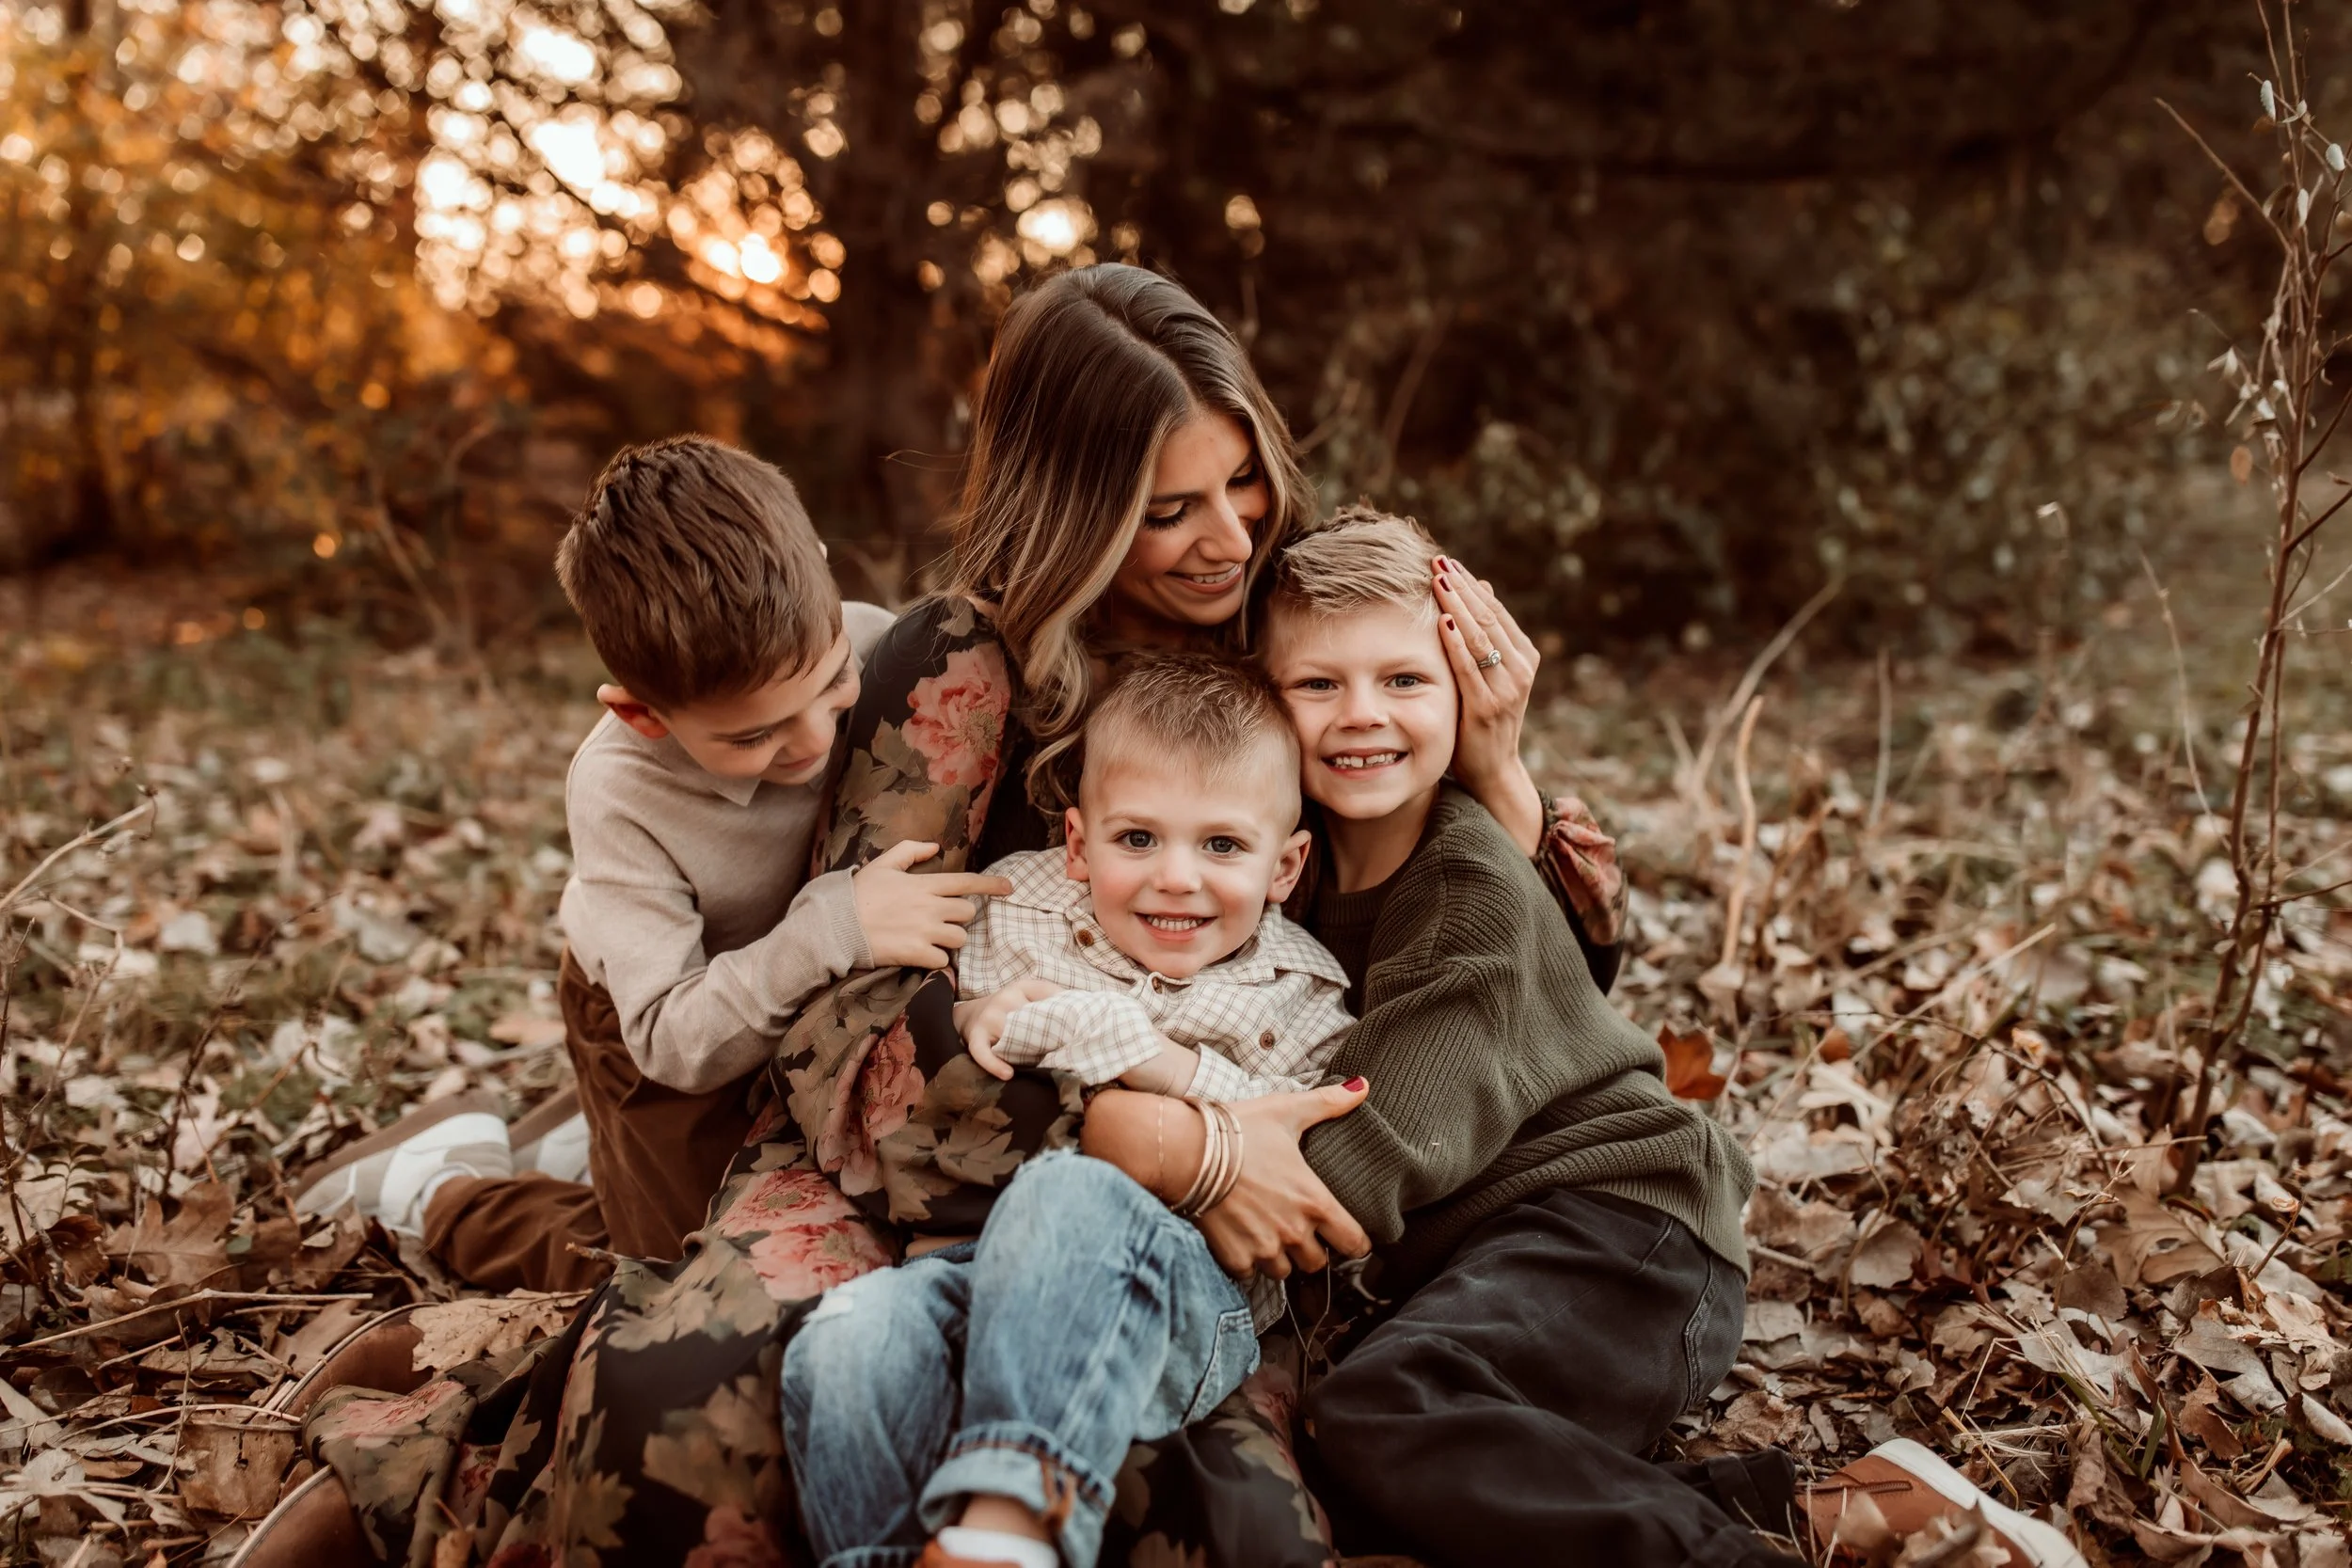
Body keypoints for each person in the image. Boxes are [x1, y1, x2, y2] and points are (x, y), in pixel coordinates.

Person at [291, 436, 1009, 1291]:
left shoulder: (872, 640)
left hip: (793, 989)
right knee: (672, 1276)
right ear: (643, 715)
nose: (813, 742)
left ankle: (579, 1140)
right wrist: (835, 924)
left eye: (828, 685)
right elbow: (671, 1034)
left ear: (823, 575)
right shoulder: (617, 791)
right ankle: (444, 1185)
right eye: (753, 735)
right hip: (661, 1020)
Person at [781, 653, 1358, 1568]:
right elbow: (931, 1056)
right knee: (848, 1343)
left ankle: (1012, 1526)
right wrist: (975, 1015)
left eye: (1221, 846)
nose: (1176, 877)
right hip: (977, 1264)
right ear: (1080, 843)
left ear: (1284, 864)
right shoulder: (1016, 909)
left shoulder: (1300, 991)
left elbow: (1295, 1146)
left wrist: (1143, 1054)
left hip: (1174, 1298)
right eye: (1138, 839)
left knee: (1069, 1191)